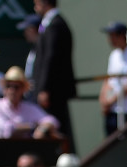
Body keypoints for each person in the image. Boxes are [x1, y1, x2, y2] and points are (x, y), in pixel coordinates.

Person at [32, 0, 76, 139]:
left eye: (36, 3)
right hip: (52, 91)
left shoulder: (55, 24)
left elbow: (52, 57)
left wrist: (44, 89)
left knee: (55, 128)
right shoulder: (51, 23)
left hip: (53, 92)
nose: (35, 7)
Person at [0, 66, 59, 139]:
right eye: (8, 86)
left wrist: (42, 129)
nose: (12, 90)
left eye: (16, 87)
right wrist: (32, 126)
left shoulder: (29, 108)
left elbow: (52, 120)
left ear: (23, 89)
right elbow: (6, 129)